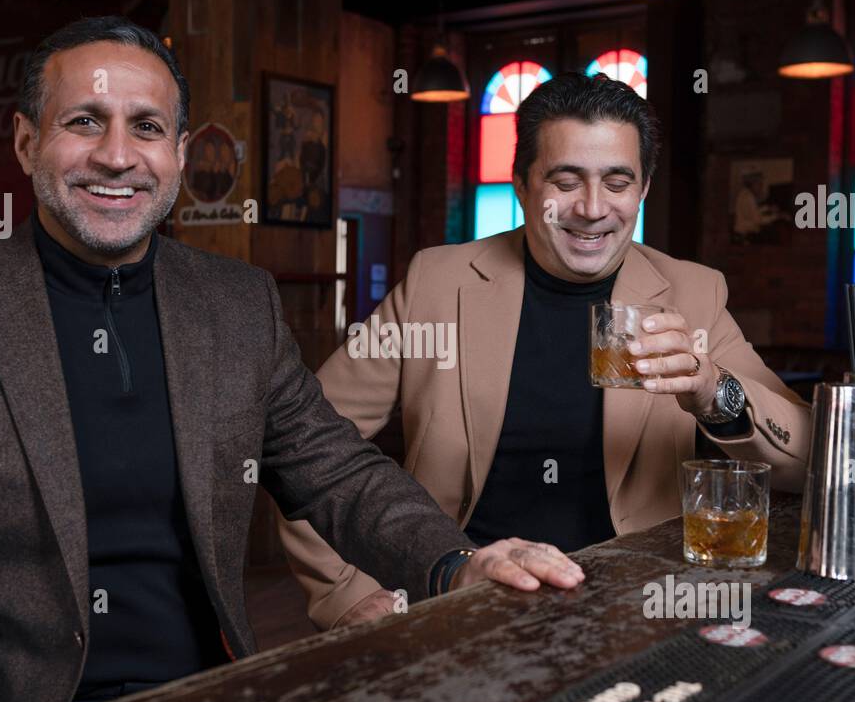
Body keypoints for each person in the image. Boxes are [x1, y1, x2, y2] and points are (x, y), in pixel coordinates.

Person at [0, 16, 583, 702]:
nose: (117, 156)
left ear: (177, 154)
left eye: (146, 128)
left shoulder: (236, 303)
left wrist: (457, 563)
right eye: (84, 121)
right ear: (25, 141)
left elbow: (335, 470)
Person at [278, 72, 812, 631]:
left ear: (643, 188)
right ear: (522, 183)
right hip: (462, 604)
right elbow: (305, 445)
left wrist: (711, 389)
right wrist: (348, 595)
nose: (591, 208)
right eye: (566, 179)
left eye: (617, 182)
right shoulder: (437, 283)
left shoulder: (694, 293)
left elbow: (803, 458)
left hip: (636, 611)